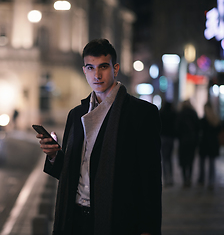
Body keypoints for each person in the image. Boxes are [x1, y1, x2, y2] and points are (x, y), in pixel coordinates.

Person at [36, 39, 162, 235]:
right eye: (90, 67)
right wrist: (53, 155)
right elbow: (69, 173)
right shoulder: (76, 114)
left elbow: (150, 179)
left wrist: (148, 229)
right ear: (84, 70)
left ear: (115, 68)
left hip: (118, 219)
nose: (97, 74)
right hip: (75, 218)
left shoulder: (141, 113)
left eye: (103, 66)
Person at [176, 100, 200, 188]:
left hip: (183, 140)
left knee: (183, 160)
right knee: (190, 160)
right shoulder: (193, 113)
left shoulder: (181, 114)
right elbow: (198, 127)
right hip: (192, 140)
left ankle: (184, 179)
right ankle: (189, 178)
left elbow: (177, 128)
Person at [198, 102, 221, 190]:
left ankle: (202, 179)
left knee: (202, 163)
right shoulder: (216, 120)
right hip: (213, 144)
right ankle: (211, 181)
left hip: (204, 144)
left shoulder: (204, 120)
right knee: (211, 164)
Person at [159, 101, 177, 187]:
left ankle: (166, 179)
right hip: (171, 138)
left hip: (163, 138)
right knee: (170, 158)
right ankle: (171, 178)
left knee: (165, 158)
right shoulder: (173, 114)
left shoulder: (161, 113)